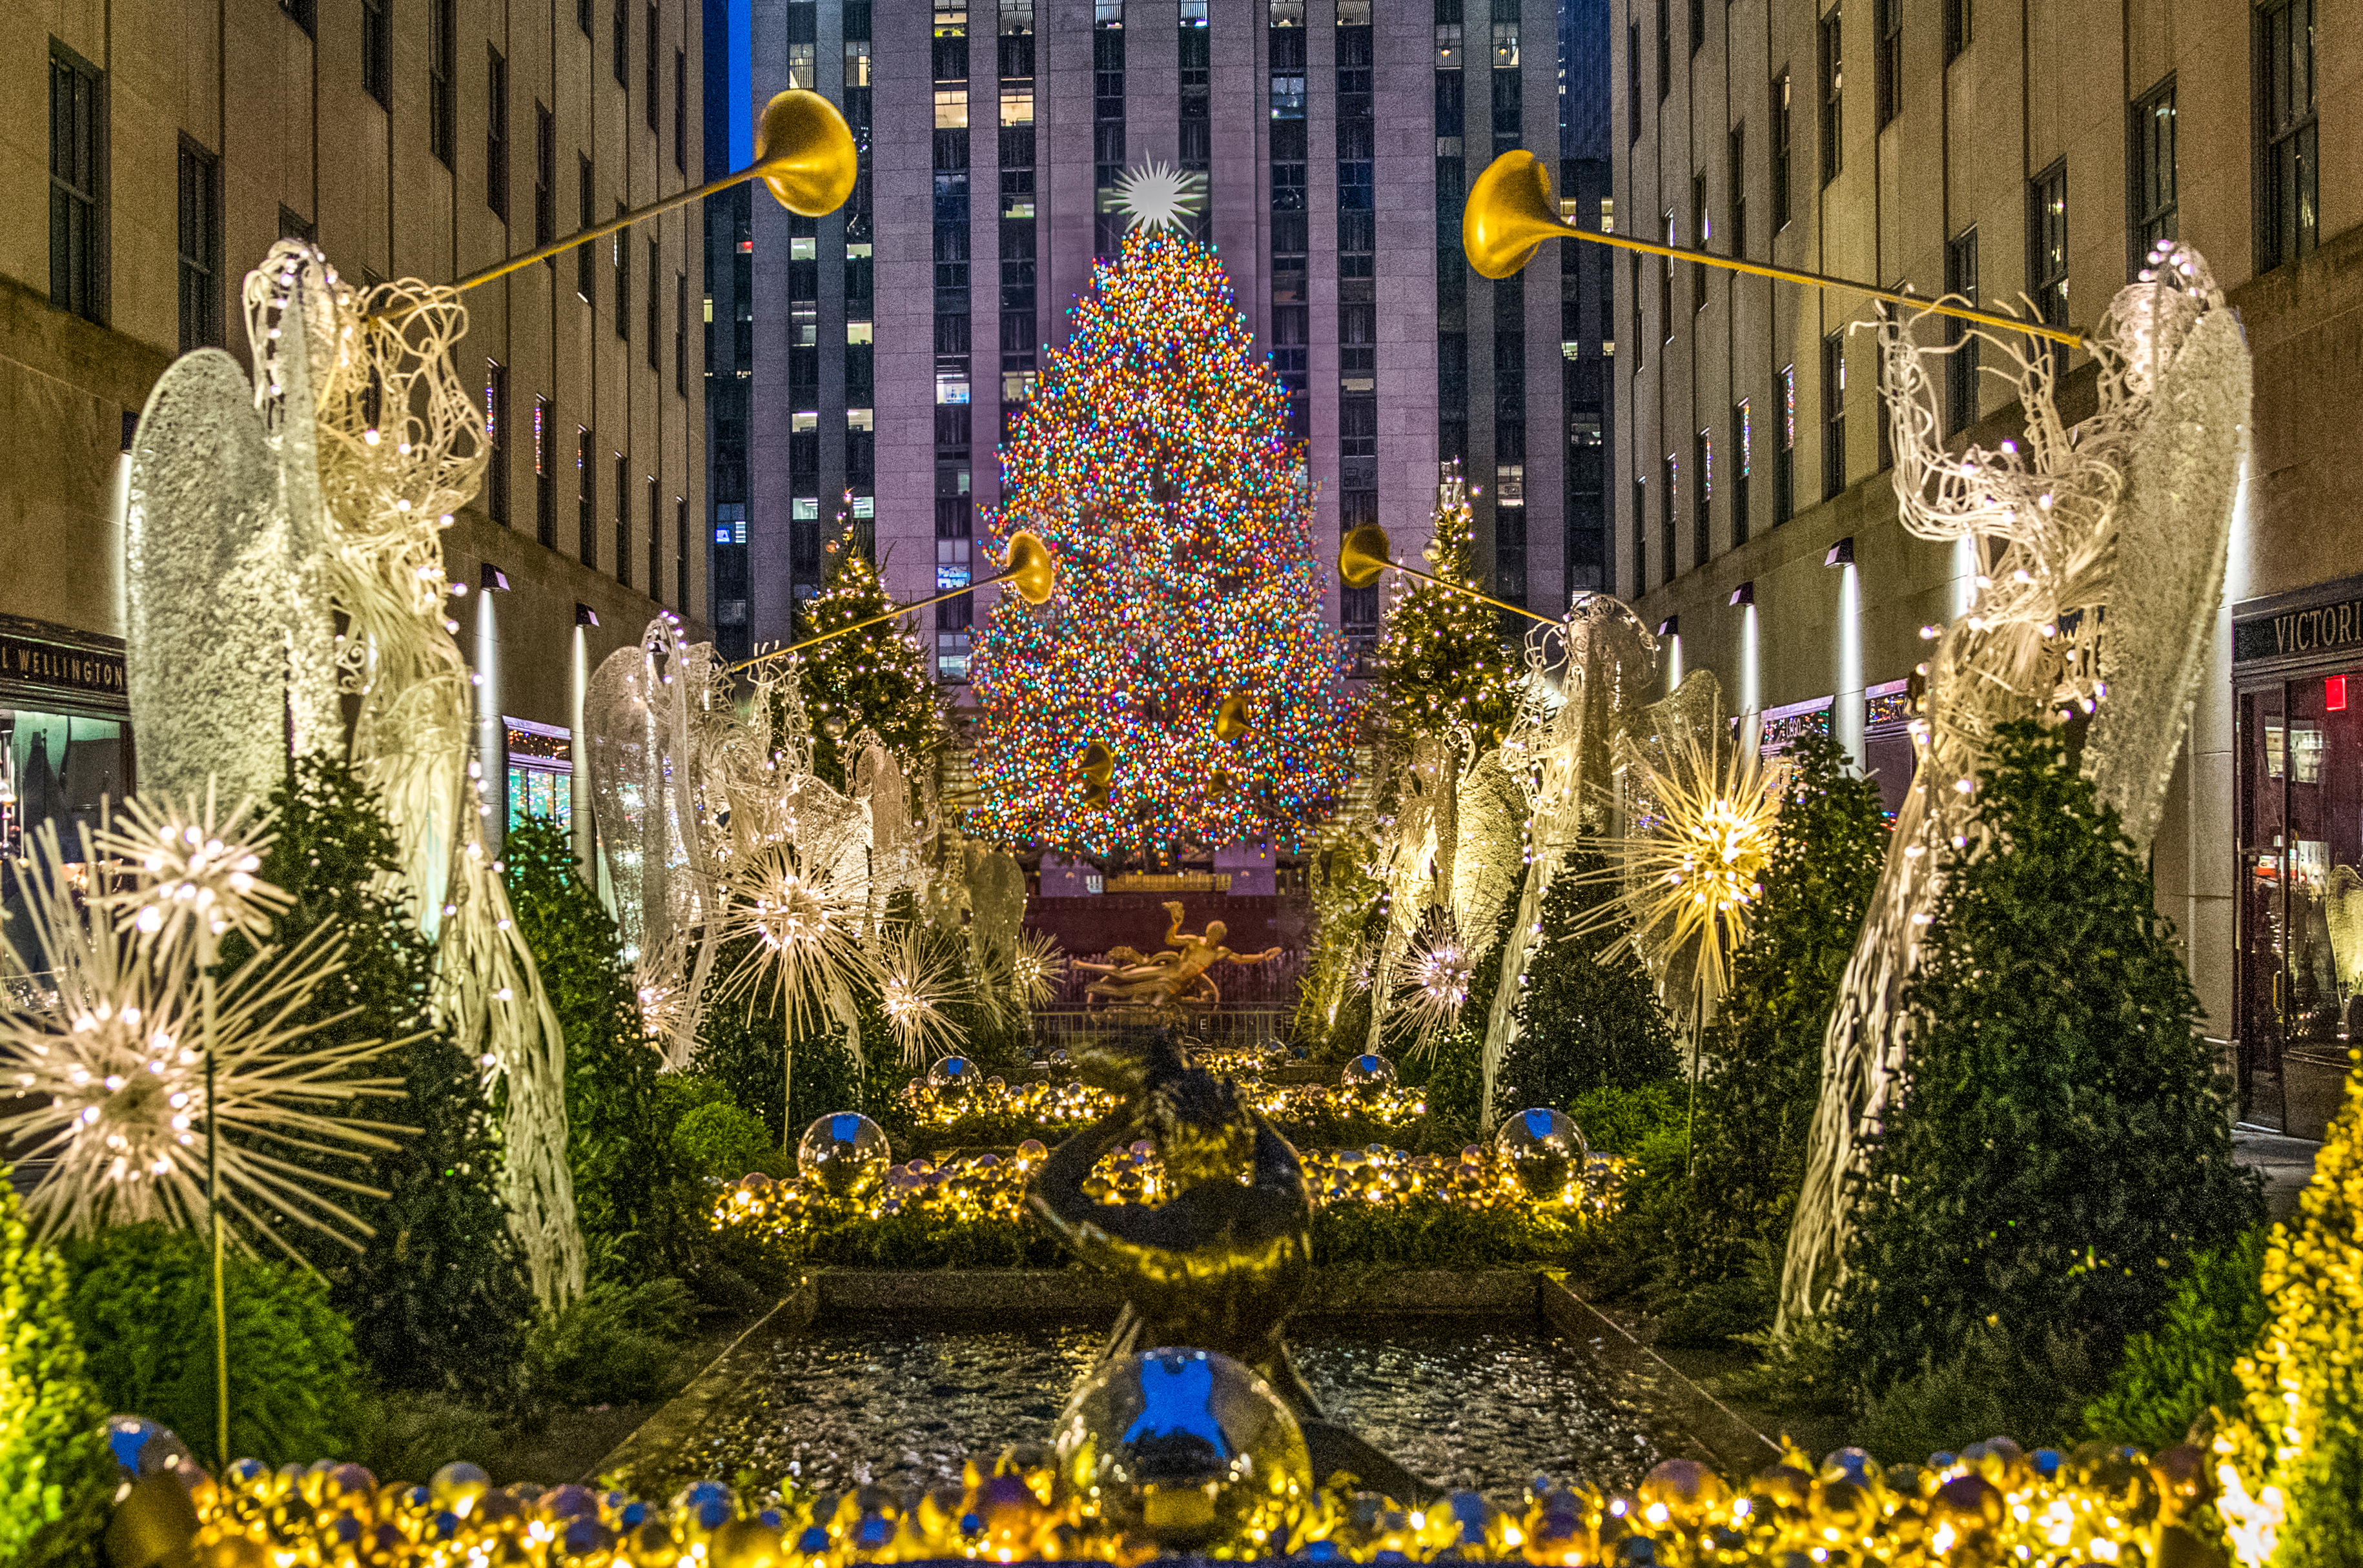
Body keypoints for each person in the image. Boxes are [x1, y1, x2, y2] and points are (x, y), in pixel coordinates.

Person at [1028, 1030, 1437, 1502]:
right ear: (1239, 1134)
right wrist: (1229, 1106)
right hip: (1265, 1417)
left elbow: (1047, 1192)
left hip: (1169, 1428)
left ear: (1162, 1142)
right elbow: (1283, 1161)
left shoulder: (1152, 1238)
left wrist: (1130, 1114)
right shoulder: (1283, 1218)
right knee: (1363, 1473)